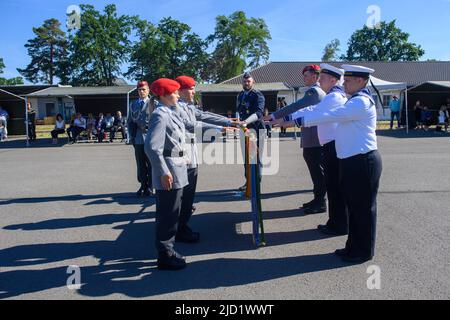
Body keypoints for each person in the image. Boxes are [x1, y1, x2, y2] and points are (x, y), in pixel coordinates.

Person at [272, 65, 383, 263]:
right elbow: (318, 110)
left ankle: (363, 251)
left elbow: (328, 115)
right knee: (354, 207)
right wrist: (290, 118)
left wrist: (293, 121)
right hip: (353, 160)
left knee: (363, 209)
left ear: (361, 81)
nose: (344, 82)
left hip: (362, 161)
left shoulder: (360, 103)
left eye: (348, 80)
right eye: (344, 79)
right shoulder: (352, 100)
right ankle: (353, 247)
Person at [274, 64, 349, 236]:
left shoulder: (333, 97)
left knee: (335, 188)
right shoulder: (330, 95)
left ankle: (338, 224)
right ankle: (335, 223)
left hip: (333, 145)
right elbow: (310, 110)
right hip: (330, 144)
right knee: (332, 185)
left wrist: (288, 120)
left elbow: (313, 113)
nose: (318, 80)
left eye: (322, 77)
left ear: (333, 79)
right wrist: (285, 118)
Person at [174, 75, 237, 243]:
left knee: (188, 195)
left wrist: (229, 121)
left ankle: (182, 225)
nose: (194, 91)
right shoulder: (177, 108)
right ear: (180, 90)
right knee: (183, 196)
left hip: (190, 155)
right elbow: (190, 125)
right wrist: (219, 129)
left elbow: (203, 115)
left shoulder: (188, 106)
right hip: (182, 157)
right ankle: (180, 229)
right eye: (191, 88)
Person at [264, 65, 327, 214]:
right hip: (313, 136)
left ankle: (320, 202)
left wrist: (274, 116)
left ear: (314, 76)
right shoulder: (316, 91)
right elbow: (301, 111)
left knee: (317, 171)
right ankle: (317, 199)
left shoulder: (314, 92)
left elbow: (296, 107)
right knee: (316, 170)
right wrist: (282, 119)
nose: (304, 78)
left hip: (314, 137)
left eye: (306, 75)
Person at [144, 78, 188, 271]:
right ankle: (165, 255)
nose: (178, 95)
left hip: (176, 167)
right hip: (169, 171)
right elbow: (152, 147)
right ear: (163, 95)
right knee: (167, 215)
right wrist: (163, 172)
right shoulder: (160, 115)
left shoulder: (169, 112)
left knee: (172, 213)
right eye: (175, 92)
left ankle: (168, 250)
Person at [236, 72, 266, 191]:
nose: (246, 83)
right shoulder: (240, 95)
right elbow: (239, 111)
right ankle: (248, 181)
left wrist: (245, 122)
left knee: (256, 158)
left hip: (257, 130)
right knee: (246, 158)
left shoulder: (258, 95)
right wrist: (239, 122)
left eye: (249, 81)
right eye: (244, 81)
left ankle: (256, 184)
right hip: (245, 130)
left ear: (253, 82)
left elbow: (259, 113)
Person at [128, 81, 153, 197]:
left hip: (151, 136)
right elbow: (129, 121)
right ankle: (143, 185)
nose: (141, 92)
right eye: (139, 90)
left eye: (144, 89)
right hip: (138, 137)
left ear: (148, 90)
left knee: (151, 163)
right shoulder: (133, 104)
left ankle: (151, 186)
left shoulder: (154, 103)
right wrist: (131, 136)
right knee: (140, 163)